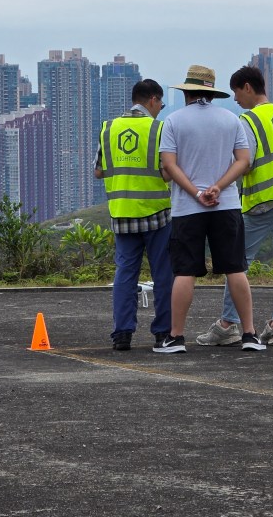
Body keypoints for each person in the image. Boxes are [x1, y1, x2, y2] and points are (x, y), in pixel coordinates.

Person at [153, 64, 265, 354]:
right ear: (212, 93)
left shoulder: (173, 121)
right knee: (235, 268)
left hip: (187, 208)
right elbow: (243, 161)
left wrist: (197, 192)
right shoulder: (231, 119)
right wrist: (218, 187)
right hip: (226, 204)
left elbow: (169, 165)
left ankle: (176, 338)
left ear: (187, 92)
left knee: (184, 272)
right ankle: (250, 334)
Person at [196, 65, 273, 348]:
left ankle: (227, 325)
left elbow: (245, 162)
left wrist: (220, 182)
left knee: (237, 262)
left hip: (264, 200)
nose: (235, 99)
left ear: (247, 87)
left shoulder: (249, 120)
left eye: (236, 92)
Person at [95, 79, 173, 350]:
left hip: (122, 213)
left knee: (125, 274)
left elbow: (98, 171)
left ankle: (122, 334)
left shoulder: (109, 128)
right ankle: (163, 333)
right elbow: (166, 172)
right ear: (152, 100)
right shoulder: (158, 129)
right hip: (156, 214)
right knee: (163, 274)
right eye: (161, 103)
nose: (161, 108)